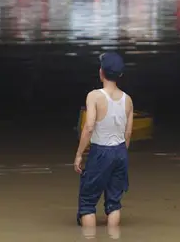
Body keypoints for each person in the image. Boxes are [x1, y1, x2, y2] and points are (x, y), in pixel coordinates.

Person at [75, 52, 134, 233]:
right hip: (120, 152)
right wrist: (120, 153)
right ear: (120, 75)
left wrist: (79, 154)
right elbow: (128, 132)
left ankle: (89, 238)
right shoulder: (128, 100)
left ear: (101, 72)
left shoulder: (94, 96)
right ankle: (114, 237)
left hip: (101, 152)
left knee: (87, 203)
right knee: (114, 203)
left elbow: (89, 126)